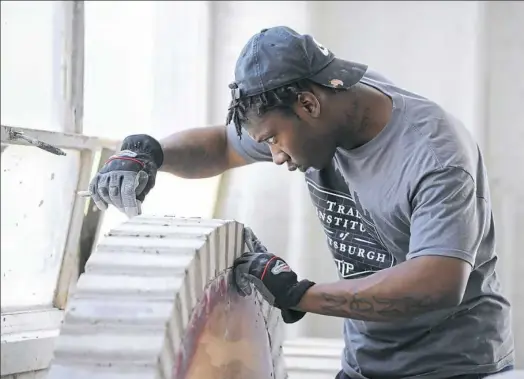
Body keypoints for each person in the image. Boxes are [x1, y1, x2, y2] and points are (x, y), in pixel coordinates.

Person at [87, 26, 514, 378]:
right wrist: (148, 153)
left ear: (309, 103)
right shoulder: (317, 119)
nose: (274, 156)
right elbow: (221, 146)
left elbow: (438, 282)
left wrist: (297, 294)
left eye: (273, 139)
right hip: (366, 364)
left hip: (454, 367)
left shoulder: (434, 154)